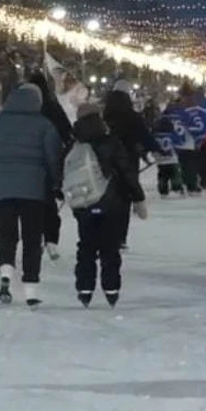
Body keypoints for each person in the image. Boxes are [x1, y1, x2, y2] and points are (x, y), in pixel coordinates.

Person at [0, 83, 62, 308]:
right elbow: (53, 158)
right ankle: (31, 288)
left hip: (0, 189)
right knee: (32, 239)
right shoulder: (44, 125)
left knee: (6, 236)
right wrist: (57, 183)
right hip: (33, 189)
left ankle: (5, 272)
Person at [70, 103, 147, 307]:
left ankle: (84, 288)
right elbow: (127, 172)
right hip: (113, 202)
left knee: (86, 245)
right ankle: (111, 288)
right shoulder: (112, 142)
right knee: (110, 246)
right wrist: (138, 197)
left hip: (84, 202)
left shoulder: (74, 144)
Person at [103, 82, 159, 249]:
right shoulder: (132, 116)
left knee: (107, 196)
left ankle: (106, 233)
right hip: (128, 160)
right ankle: (120, 237)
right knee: (124, 197)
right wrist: (156, 148)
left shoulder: (105, 114)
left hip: (106, 160)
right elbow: (144, 135)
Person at [29, 71, 75, 261]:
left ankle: (34, 239)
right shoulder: (52, 106)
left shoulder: (23, 108)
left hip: (27, 164)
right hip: (50, 160)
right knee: (48, 201)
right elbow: (67, 132)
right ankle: (51, 239)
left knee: (30, 203)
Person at [153, 114, 184, 197]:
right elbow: (179, 143)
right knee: (175, 175)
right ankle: (177, 187)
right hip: (172, 160)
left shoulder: (155, 136)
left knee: (162, 176)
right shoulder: (172, 135)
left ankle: (163, 190)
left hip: (160, 161)